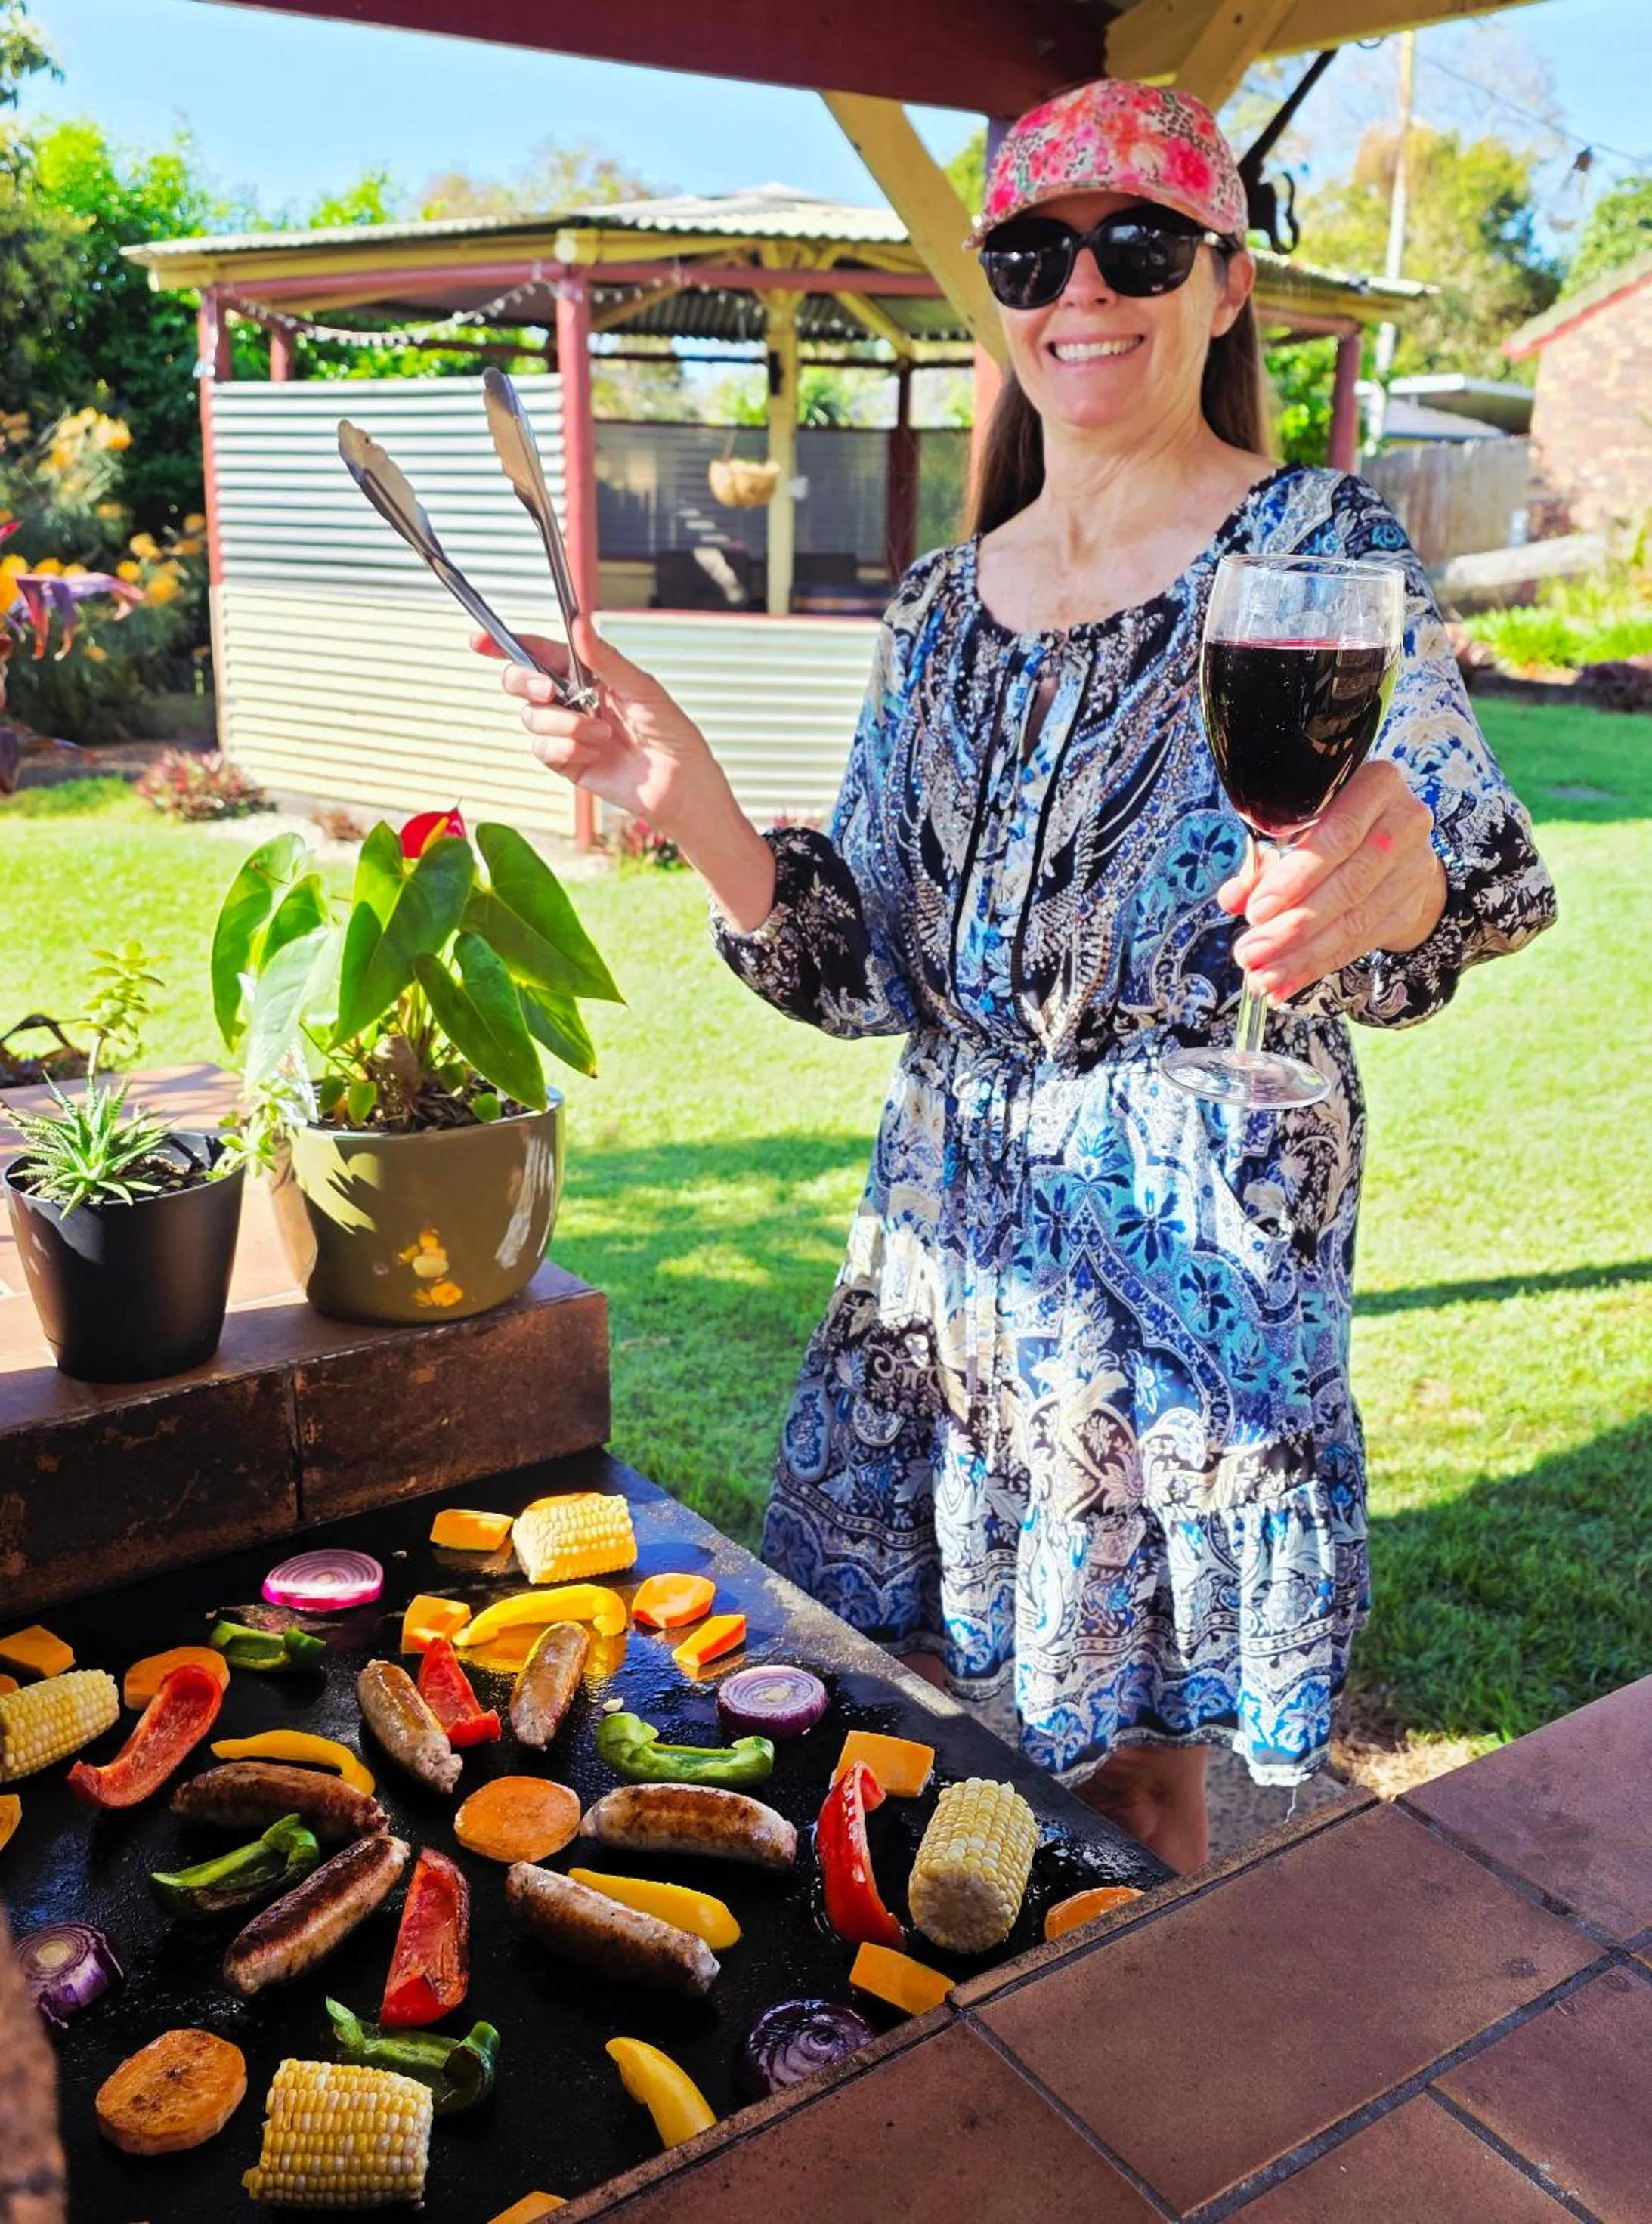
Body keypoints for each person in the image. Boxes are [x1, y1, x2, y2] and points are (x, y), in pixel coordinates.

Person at [479, 79, 1556, 1873]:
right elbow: (859, 964)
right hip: (950, 1229)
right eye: (1032, 252)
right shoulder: (937, 608)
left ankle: (1121, 2041)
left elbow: (1459, 863)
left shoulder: (1313, 551)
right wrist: (689, 803)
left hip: (1188, 1251)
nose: (1085, 286)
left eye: (1140, 241)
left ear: (1225, 282)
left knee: (1132, 1782)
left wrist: (1387, 887)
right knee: (897, 1711)